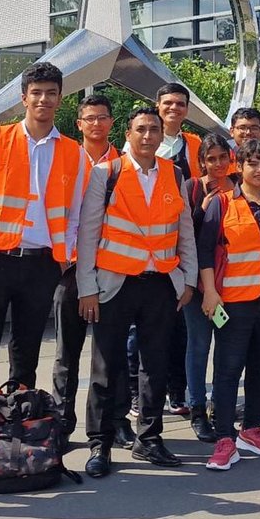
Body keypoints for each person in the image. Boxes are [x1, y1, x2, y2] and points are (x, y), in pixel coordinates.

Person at [0, 61, 85, 500]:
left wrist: (64, 259)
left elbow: (77, 214)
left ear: (60, 98)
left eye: (51, 92)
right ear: (23, 97)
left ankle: (16, 448)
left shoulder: (73, 152)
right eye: (37, 92)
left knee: (25, 362)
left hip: (41, 266)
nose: (44, 100)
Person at [79, 106, 198, 478]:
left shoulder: (174, 174)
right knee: (106, 366)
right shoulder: (107, 173)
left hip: (161, 284)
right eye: (141, 129)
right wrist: (87, 287)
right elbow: (88, 234)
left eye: (154, 130)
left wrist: (189, 279)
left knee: (156, 367)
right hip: (115, 284)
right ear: (127, 135)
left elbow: (185, 231)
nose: (148, 136)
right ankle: (100, 443)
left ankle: (149, 438)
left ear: (163, 135)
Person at [197, 139, 260, 470]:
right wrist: (210, 293)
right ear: (237, 167)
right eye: (251, 164)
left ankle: (252, 429)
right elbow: (205, 252)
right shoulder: (222, 204)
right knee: (228, 369)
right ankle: (225, 437)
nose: (259, 170)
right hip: (234, 301)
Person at [51, 94, 125, 448]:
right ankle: (62, 422)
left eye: (103, 117)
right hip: (70, 268)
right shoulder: (65, 159)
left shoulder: (124, 165)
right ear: (78, 124)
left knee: (113, 353)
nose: (96, 124)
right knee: (68, 351)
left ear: (112, 123)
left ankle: (116, 419)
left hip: (113, 268)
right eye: (89, 118)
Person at [122, 83, 199, 415]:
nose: (174, 108)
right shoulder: (131, 152)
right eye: (168, 103)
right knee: (136, 335)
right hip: (138, 257)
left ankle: (176, 391)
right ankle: (135, 394)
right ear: (157, 105)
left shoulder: (193, 146)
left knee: (177, 329)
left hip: (178, 247)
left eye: (180, 104)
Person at [183, 133, 239, 442]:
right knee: (199, 346)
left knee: (227, 349)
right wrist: (202, 208)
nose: (218, 164)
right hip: (201, 285)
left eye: (222, 157)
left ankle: (221, 406)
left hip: (233, 283)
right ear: (202, 161)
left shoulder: (241, 188)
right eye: (211, 159)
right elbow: (184, 234)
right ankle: (197, 409)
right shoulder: (192, 188)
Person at [227, 107, 260, 172]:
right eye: (242, 128)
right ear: (231, 131)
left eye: (254, 128)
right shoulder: (222, 158)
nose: (248, 132)